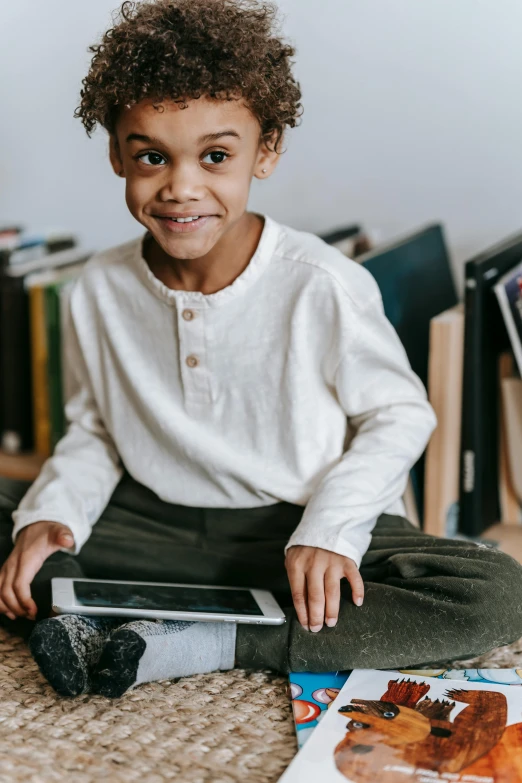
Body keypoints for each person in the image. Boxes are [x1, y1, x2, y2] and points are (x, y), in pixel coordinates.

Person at [1, 0, 521, 699]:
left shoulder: (323, 284)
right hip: (154, 521)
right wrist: (52, 515)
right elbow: (95, 427)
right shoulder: (99, 286)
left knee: (493, 591)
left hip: (291, 527)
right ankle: (110, 602)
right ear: (117, 152)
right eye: (151, 156)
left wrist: (330, 528)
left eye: (216, 156)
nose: (181, 187)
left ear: (266, 149)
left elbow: (400, 415)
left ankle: (194, 638)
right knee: (20, 518)